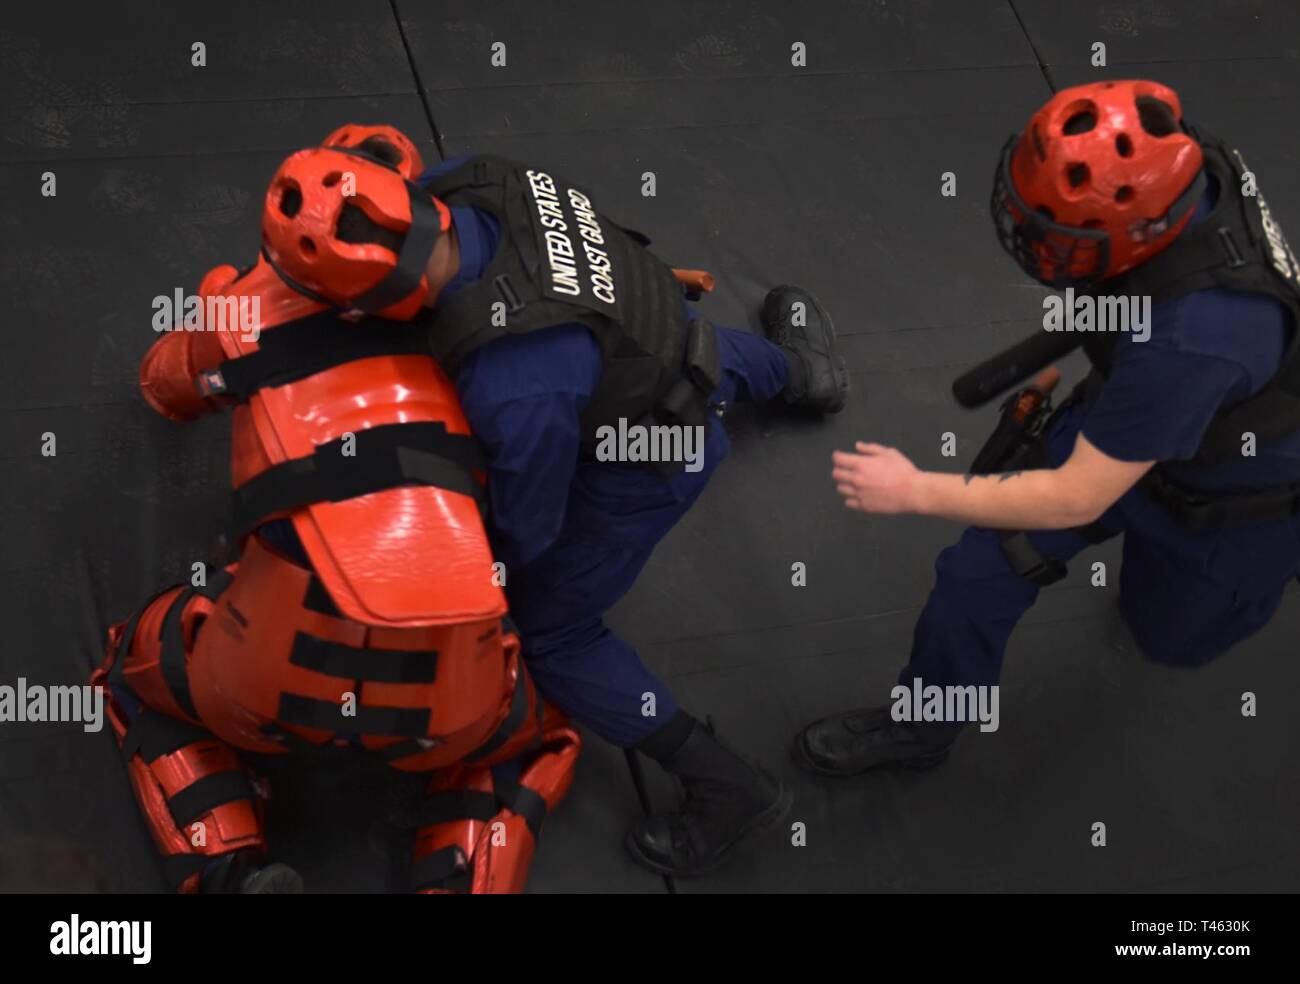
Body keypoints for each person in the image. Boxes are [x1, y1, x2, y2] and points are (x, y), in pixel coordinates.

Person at [259, 126, 851, 875]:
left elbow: (527, 528)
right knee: (703, 349)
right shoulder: (472, 178)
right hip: (655, 328)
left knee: (551, 628)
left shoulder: (514, 383)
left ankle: (728, 786)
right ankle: (807, 373)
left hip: (653, 452)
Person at [97, 125, 581, 894]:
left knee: (136, 668)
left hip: (262, 683)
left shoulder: (242, 312)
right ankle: (459, 879)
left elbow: (163, 386)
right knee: (530, 731)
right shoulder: (502, 338)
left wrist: (224, 312)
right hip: (445, 704)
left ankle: (227, 867)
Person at [793, 79, 1300, 776]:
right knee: (978, 573)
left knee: (1166, 634)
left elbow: (1075, 498)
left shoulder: (1191, 341)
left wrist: (913, 489)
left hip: (1235, 484)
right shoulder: (1180, 156)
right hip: (1133, 412)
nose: (1033, 240)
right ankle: (928, 724)